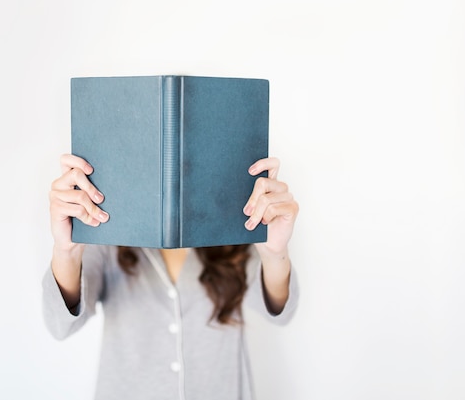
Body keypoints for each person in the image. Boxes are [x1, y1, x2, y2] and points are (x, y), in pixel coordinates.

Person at [43, 153, 299, 400]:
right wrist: (66, 250)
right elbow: (61, 324)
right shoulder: (106, 230)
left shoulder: (236, 223)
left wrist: (275, 252)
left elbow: (279, 310)